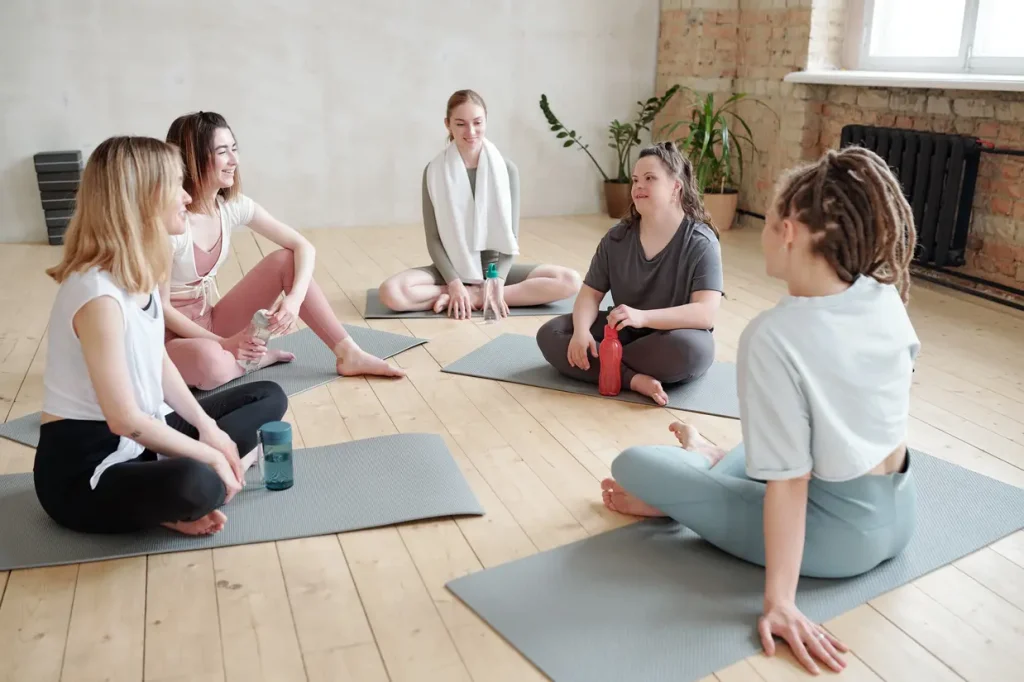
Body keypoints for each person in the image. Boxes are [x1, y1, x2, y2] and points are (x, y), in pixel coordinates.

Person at [599, 146, 921, 675]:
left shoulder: (773, 336)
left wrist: (780, 603)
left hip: (837, 541)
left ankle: (702, 473)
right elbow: (866, 412)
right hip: (901, 512)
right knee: (780, 441)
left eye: (768, 222)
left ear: (790, 231)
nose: (763, 234)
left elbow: (790, 485)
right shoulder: (881, 293)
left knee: (634, 465)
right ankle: (717, 459)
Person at [33, 135, 288, 536]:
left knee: (268, 395)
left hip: (148, 438)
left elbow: (160, 362)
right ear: (144, 196)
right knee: (197, 482)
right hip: (88, 469)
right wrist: (211, 455)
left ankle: (183, 486)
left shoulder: (139, 270)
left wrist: (207, 428)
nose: (187, 197)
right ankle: (184, 494)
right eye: (176, 185)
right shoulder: (96, 295)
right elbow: (123, 419)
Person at [162, 111, 405, 391]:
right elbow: (163, 309)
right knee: (212, 366)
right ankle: (252, 359)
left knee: (286, 260)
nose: (234, 160)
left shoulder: (230, 206)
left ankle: (348, 352)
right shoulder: (172, 223)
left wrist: (293, 300)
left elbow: (303, 246)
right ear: (194, 158)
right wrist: (225, 344)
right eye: (222, 152)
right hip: (171, 339)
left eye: (234, 149)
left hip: (210, 321)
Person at [535, 141, 724, 405]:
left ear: (675, 187)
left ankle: (609, 367)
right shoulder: (617, 238)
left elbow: (704, 313)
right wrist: (580, 332)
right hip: (622, 332)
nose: (638, 186)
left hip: (672, 339)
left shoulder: (700, 242)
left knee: (692, 350)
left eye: (650, 178)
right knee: (551, 334)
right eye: (636, 180)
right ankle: (633, 379)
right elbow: (589, 295)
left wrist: (642, 317)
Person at [377, 89, 582, 319]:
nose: (471, 131)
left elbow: (510, 239)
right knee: (390, 292)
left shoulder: (507, 170)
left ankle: (475, 297)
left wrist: (496, 283)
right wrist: (454, 283)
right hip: (451, 269)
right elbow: (434, 238)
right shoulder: (434, 172)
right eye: (461, 123)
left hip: (495, 272)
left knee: (570, 281)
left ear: (486, 120)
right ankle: (461, 293)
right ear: (448, 125)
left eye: (477, 122)